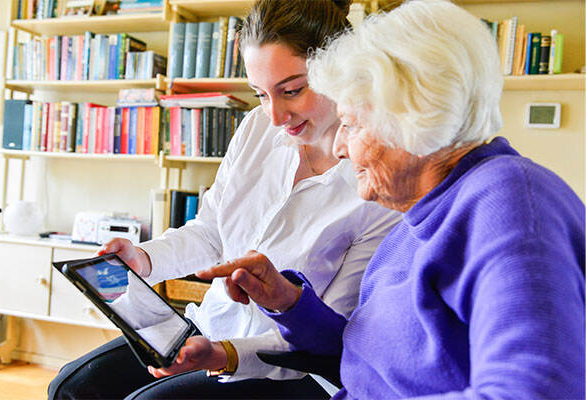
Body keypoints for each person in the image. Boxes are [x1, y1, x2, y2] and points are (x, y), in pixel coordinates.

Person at [197, 0, 586, 399]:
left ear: (412, 117)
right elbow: (366, 359)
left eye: (350, 124)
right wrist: (290, 303)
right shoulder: (415, 222)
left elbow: (536, 390)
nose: (342, 148)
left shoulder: (513, 205)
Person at [48, 0, 401, 399]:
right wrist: (144, 260)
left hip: (294, 367)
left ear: (342, 67)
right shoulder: (256, 129)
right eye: (260, 94)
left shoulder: (380, 181)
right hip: (214, 324)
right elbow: (212, 233)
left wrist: (223, 355)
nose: (275, 116)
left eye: (292, 90)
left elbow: (329, 333)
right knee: (72, 386)